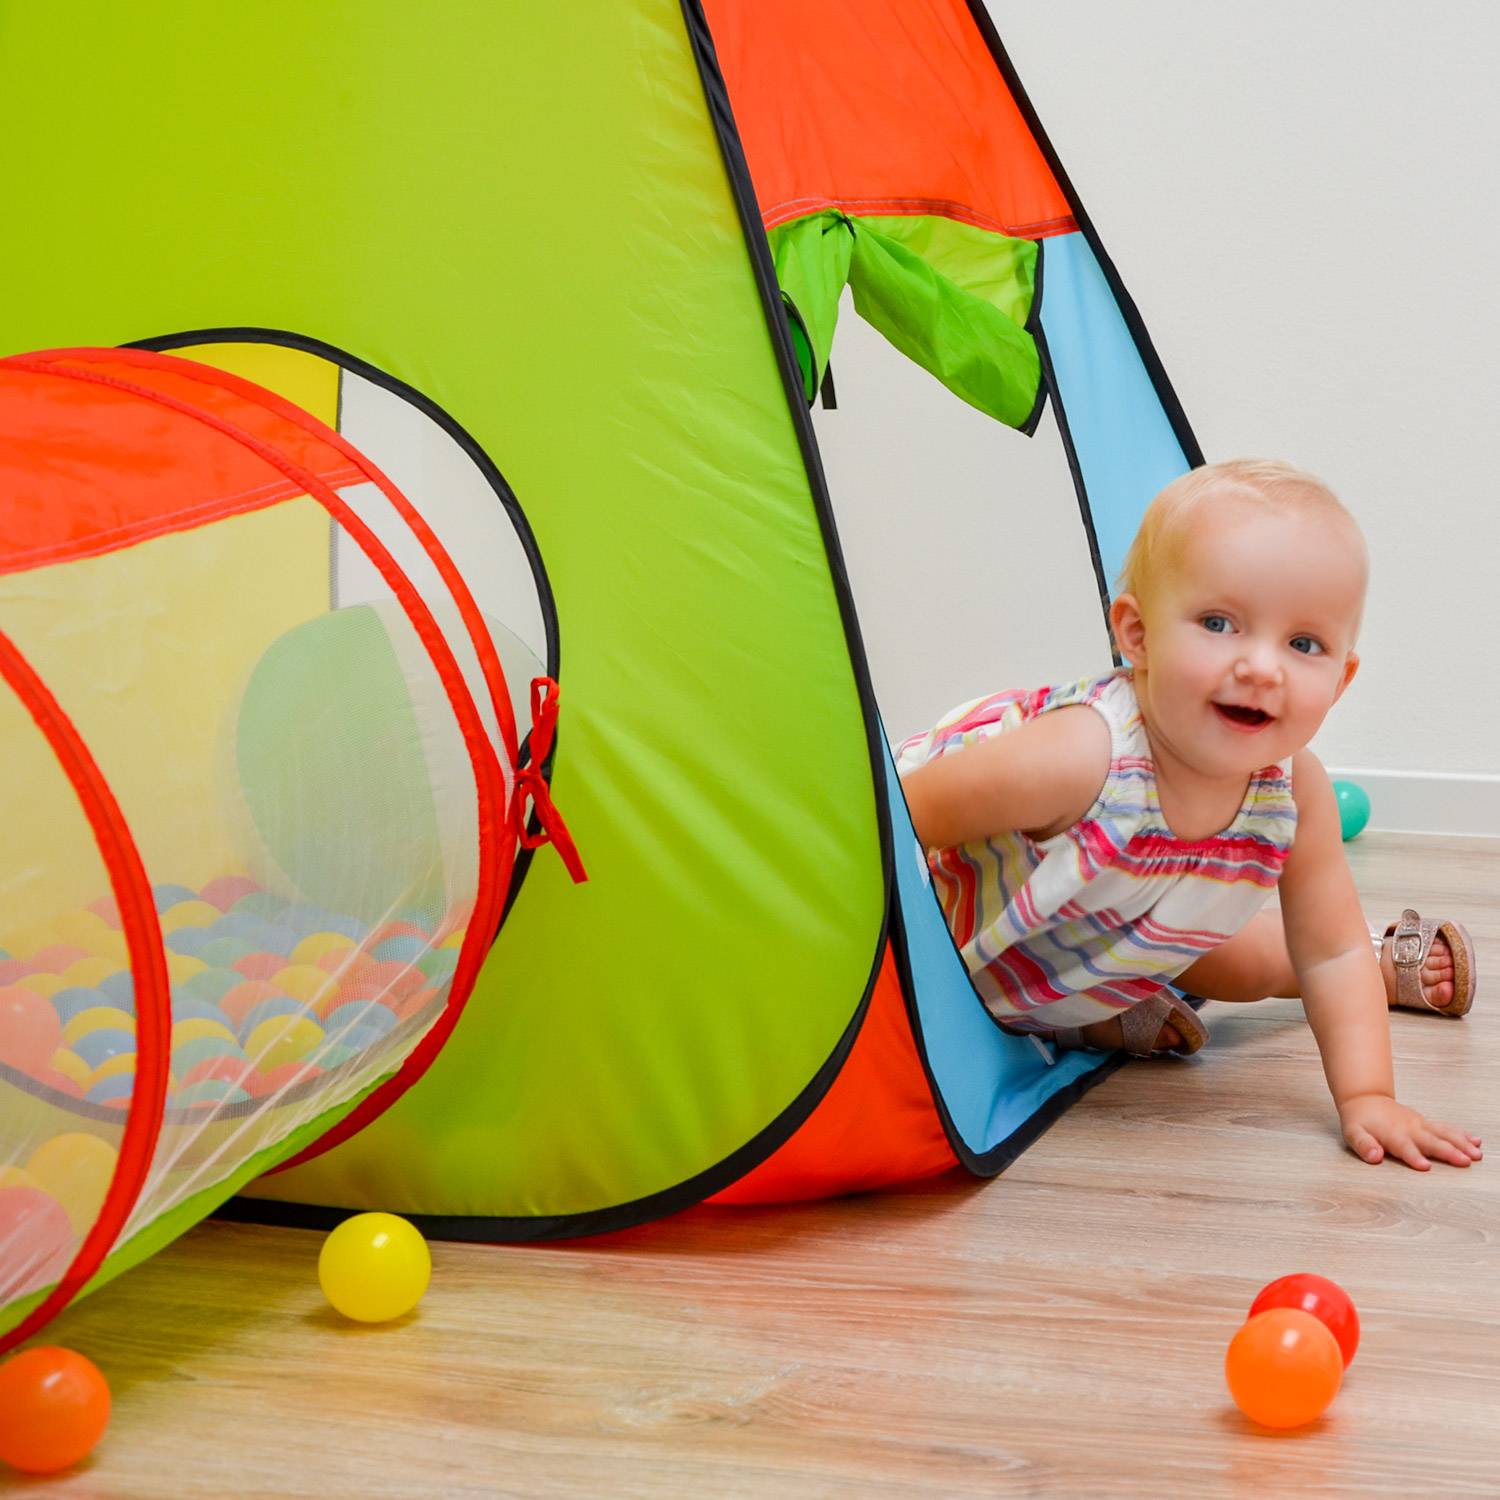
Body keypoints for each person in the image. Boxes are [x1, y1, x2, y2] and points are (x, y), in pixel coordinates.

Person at [898, 459, 1482, 1171]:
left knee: (1261, 960)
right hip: (954, 945)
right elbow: (895, 828)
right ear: (1137, 636)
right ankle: (1101, 1017)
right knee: (1221, 956)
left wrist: (1369, 1096)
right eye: (1219, 623)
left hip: (1100, 931)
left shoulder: (1294, 790)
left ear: (1341, 680)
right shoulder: (1077, 758)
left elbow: (1325, 948)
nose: (1263, 667)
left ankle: (1380, 964)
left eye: (1304, 645)